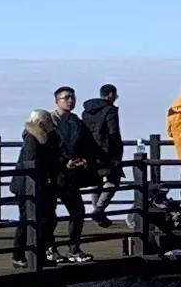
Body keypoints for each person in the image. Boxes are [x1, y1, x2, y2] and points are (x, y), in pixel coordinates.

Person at [21, 87, 91, 262]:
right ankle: (50, 249)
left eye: (72, 97)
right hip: (52, 175)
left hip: (69, 175)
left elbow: (84, 144)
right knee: (49, 215)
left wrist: (83, 159)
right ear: (57, 100)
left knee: (78, 211)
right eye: (66, 98)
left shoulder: (76, 122)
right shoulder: (46, 119)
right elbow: (33, 138)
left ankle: (74, 248)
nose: (70, 101)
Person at [84, 84, 129, 218]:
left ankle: (97, 210)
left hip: (91, 150)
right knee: (113, 180)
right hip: (107, 151)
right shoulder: (109, 110)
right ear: (110, 95)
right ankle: (99, 209)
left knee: (95, 181)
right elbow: (113, 132)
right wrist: (117, 151)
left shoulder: (86, 112)